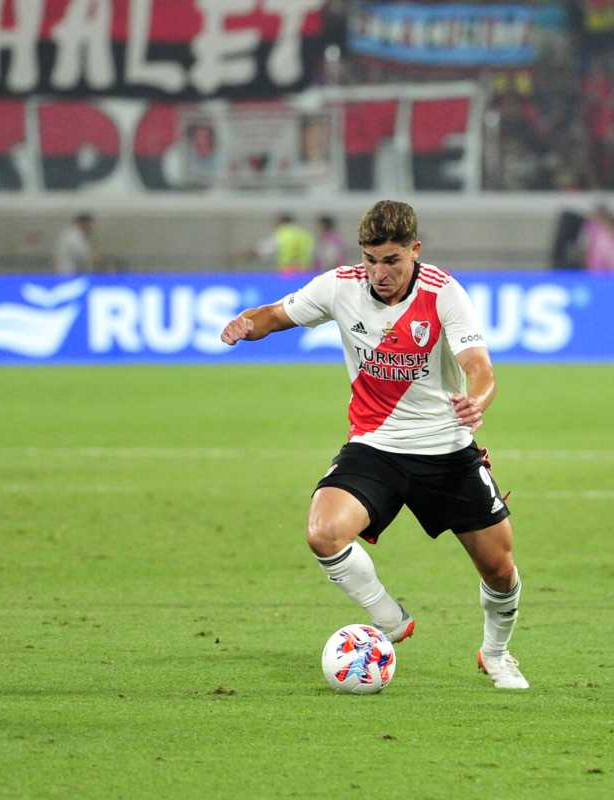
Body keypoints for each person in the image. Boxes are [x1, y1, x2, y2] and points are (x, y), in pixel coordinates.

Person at [220, 200, 528, 690]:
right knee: (323, 531)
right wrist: (245, 324)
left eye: (391, 261)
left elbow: (480, 368)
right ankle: (388, 618)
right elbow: (276, 315)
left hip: (446, 450)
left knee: (499, 566)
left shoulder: (443, 293)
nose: (379, 272)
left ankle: (496, 653)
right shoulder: (339, 286)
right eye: (370, 259)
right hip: (374, 446)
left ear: (414, 251)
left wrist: (478, 401)